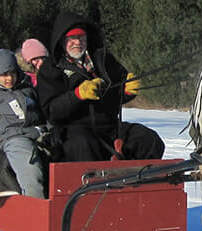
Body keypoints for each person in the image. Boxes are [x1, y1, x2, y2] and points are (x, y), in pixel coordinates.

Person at [37, 11, 163, 162]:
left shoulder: (103, 59)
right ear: (62, 40)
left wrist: (127, 91)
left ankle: (138, 181)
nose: (78, 42)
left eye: (81, 37)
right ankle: (97, 184)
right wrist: (77, 95)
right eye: (72, 38)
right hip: (72, 131)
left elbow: (118, 90)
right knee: (84, 145)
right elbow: (51, 111)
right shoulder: (50, 68)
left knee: (148, 139)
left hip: (109, 127)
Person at [0, 49, 46, 198]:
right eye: (4, 75)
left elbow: (41, 112)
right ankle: (35, 208)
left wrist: (48, 128)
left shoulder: (27, 90)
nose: (9, 78)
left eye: (12, 73)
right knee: (31, 170)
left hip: (38, 132)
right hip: (14, 138)